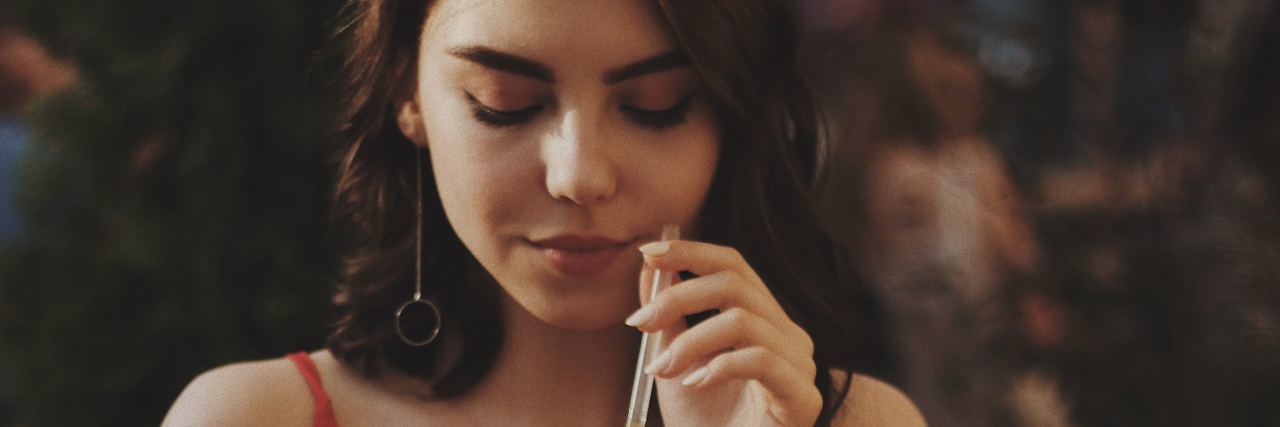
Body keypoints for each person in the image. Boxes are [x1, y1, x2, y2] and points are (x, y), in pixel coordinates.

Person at [162, 0, 925, 425]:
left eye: (657, 108)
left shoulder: (856, 421)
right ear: (407, 94)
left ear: (730, 115)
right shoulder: (256, 418)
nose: (581, 175)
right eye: (506, 105)